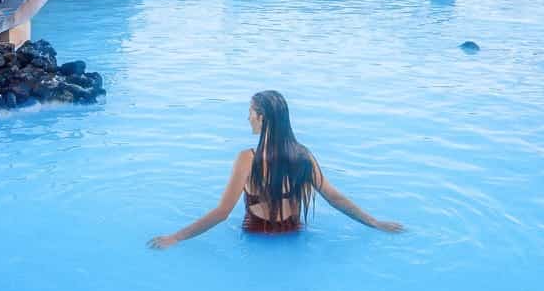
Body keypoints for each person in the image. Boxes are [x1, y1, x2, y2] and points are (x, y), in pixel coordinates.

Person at [148, 89, 404, 248]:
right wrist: (374, 222)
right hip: (294, 236)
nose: (247, 117)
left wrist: (177, 237)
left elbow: (222, 212)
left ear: (262, 118)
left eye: (250, 112)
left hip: (255, 239)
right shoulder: (303, 156)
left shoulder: (246, 159)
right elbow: (334, 198)